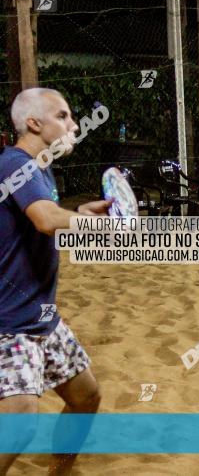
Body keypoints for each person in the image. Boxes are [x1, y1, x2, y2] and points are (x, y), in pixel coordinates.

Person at [1, 88, 111, 476]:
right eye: (63, 116)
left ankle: (59, 473)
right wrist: (96, 224)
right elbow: (45, 219)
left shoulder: (40, 166)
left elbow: (43, 216)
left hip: (42, 318)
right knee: (19, 425)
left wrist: (79, 212)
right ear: (34, 123)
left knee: (86, 397)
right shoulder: (14, 163)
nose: (74, 125)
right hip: (8, 324)